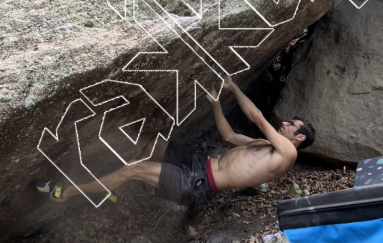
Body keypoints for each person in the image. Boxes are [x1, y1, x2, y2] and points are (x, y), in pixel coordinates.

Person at [31, 75, 315, 208]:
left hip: (197, 184)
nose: (286, 124)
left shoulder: (287, 153)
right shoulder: (264, 146)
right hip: (198, 165)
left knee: (134, 169)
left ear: (298, 138)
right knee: (155, 144)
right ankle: (113, 187)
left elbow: (256, 116)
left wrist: (232, 86)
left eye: (292, 125)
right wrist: (216, 103)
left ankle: (66, 192)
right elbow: (228, 136)